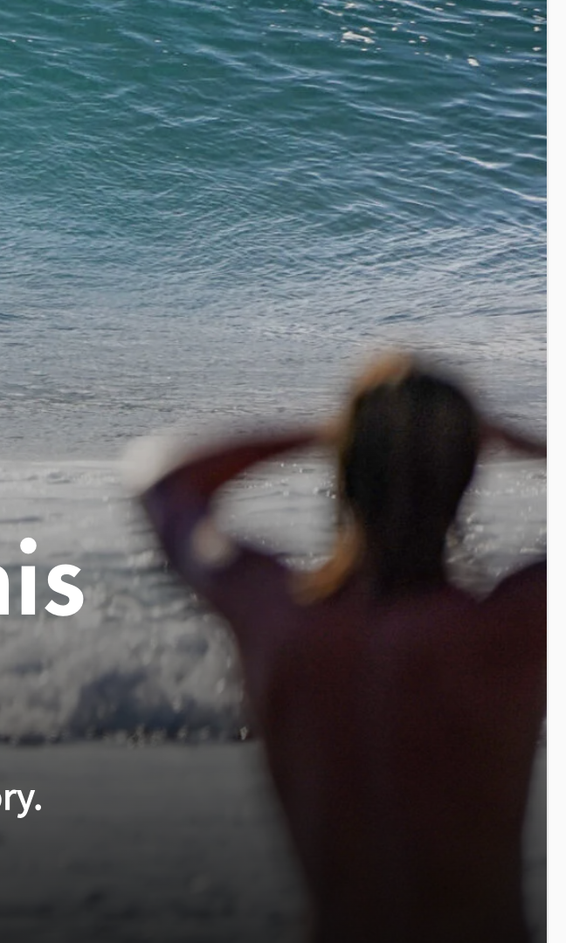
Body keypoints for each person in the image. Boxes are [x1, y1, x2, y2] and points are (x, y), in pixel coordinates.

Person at [131, 355, 542, 943]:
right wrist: (500, 438)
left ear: (346, 469)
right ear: (465, 475)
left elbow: (161, 482)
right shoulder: (511, 627)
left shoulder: (276, 617)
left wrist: (329, 433)